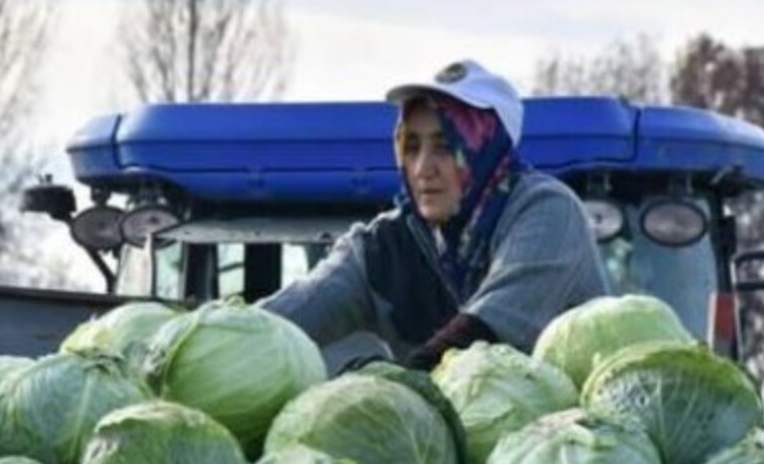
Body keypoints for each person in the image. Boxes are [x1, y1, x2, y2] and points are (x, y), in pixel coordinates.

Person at [261, 59, 608, 371]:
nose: (423, 168)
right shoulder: (387, 246)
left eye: (445, 146)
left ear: (487, 149)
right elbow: (292, 314)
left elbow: (489, 329)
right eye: (411, 147)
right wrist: (220, 333)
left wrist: (398, 390)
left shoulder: (546, 211)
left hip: (563, 436)